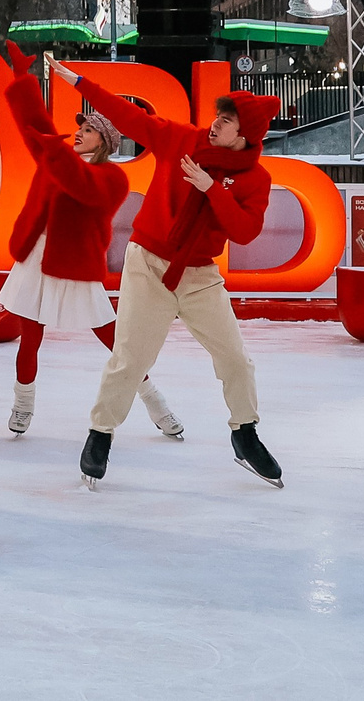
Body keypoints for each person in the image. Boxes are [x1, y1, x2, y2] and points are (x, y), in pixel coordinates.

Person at [63, 59, 283, 492]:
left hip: (199, 274)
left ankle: (245, 434)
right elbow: (131, 117)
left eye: (226, 121)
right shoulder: (183, 140)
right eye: (218, 116)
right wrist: (82, 84)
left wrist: (211, 190)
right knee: (130, 359)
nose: (215, 124)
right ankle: (100, 435)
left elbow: (244, 231)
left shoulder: (255, 178)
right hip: (149, 263)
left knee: (236, 359)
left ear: (245, 135)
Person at [0, 45, 182, 440]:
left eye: (89, 129)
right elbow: (36, 125)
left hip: (75, 264)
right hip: (37, 256)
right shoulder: (57, 156)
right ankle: (23, 404)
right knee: (30, 337)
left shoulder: (113, 179)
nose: (78, 132)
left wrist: (52, 149)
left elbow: (80, 185)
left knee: (112, 340)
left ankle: (156, 402)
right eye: (79, 127)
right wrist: (22, 80)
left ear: (105, 142)